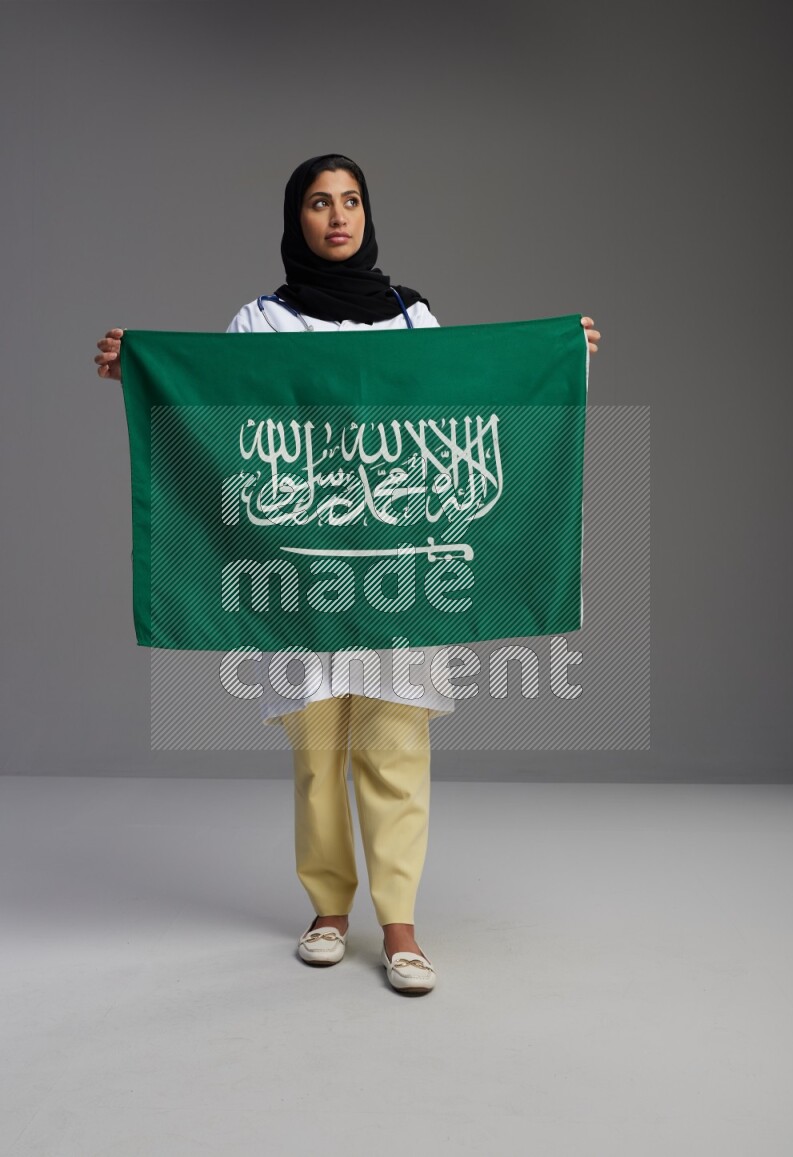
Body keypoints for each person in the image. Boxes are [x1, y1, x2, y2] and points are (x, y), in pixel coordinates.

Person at [95, 153, 602, 995]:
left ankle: (399, 922)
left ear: (369, 215)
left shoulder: (412, 320)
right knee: (317, 747)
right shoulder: (260, 322)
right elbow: (213, 412)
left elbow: (465, 402)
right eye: (321, 203)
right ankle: (329, 908)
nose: (339, 217)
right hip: (302, 568)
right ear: (296, 218)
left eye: (353, 201)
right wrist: (139, 369)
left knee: (396, 742)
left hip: (400, 566)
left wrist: (557, 353)